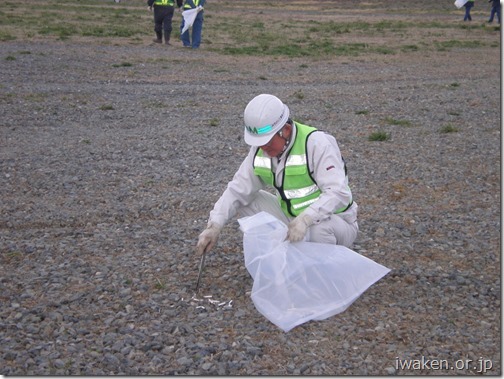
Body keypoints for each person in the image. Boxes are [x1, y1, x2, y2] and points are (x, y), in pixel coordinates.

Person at [196, 94, 359, 256]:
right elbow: (237, 190)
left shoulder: (316, 144)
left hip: (334, 222)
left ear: (286, 130)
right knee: (247, 202)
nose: (263, 149)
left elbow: (338, 193)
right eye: (258, 143)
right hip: (293, 220)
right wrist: (214, 226)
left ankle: (320, 274)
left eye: (267, 142)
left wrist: (306, 219)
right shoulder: (260, 149)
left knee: (317, 229)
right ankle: (274, 266)